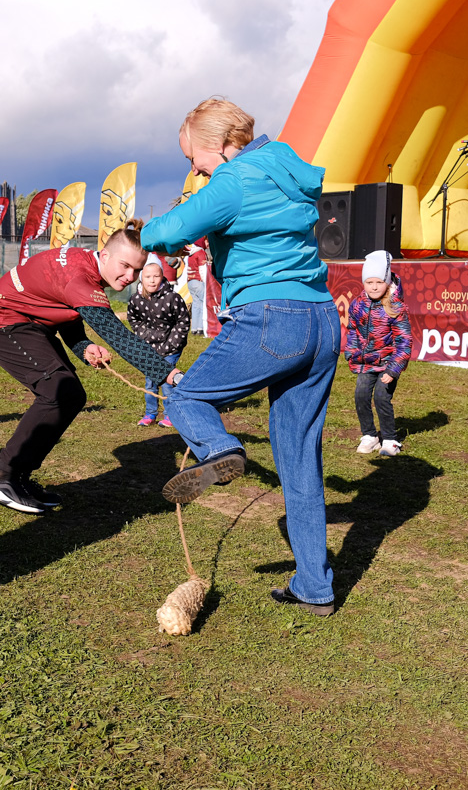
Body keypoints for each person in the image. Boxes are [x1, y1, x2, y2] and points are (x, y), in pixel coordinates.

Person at [141, 97, 341, 617]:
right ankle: (314, 587)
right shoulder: (285, 169)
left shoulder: (234, 179)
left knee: (184, 396)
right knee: (300, 461)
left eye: (194, 159)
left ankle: (219, 451)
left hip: (273, 317)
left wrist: (147, 231)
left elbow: (164, 232)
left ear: (218, 145)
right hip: (322, 320)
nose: (194, 170)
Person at [0, 220, 181, 514]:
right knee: (58, 393)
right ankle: (2, 478)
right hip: (3, 323)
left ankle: (18, 477)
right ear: (105, 255)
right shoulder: (80, 278)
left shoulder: (84, 265)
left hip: (29, 325)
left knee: (70, 395)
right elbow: (118, 337)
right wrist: (170, 374)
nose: (130, 276)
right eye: (125, 266)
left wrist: (84, 347)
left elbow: (64, 312)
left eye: (136, 269)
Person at [345, 250, 413, 457]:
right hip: (366, 362)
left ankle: (390, 439)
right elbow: (352, 331)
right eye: (369, 282)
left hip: (387, 364)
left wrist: (393, 370)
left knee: (382, 398)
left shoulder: (396, 308)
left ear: (387, 281)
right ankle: (369, 435)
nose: (374, 287)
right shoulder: (357, 305)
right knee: (361, 395)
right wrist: (352, 352)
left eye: (379, 282)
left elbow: (404, 341)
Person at [127, 255, 190, 427]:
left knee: (167, 382)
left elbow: (182, 321)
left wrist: (172, 344)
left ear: (162, 276)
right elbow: (133, 319)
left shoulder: (172, 298)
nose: (152, 280)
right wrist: (144, 335)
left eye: (156, 276)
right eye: (148, 276)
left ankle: (171, 415)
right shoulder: (136, 299)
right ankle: (150, 414)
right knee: (150, 382)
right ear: (141, 278)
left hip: (170, 347)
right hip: (149, 348)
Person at [185, 238, 209, 334]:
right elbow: (202, 269)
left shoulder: (191, 253)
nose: (208, 244)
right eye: (207, 242)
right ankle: (201, 327)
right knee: (203, 304)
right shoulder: (201, 253)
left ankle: (194, 328)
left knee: (196, 305)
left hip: (190, 281)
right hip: (199, 280)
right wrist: (206, 281)